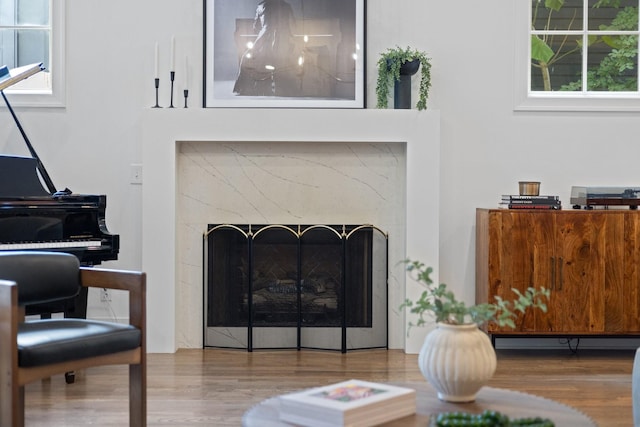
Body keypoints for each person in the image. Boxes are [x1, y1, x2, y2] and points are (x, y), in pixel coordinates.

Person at [233, 0, 297, 96]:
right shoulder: (286, 6)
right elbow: (293, 26)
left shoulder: (261, 5)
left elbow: (256, 27)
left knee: (247, 59)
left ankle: (246, 88)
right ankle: (284, 88)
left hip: (265, 39)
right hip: (283, 40)